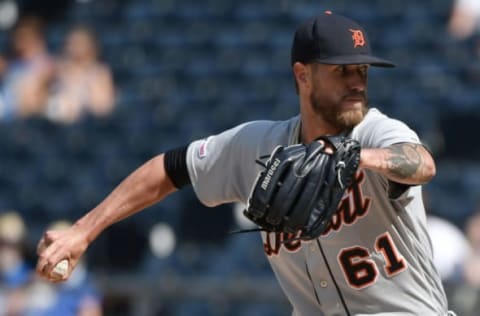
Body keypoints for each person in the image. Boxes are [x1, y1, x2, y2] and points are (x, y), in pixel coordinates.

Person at [36, 12, 453, 315]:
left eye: (362, 69)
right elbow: (170, 168)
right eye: (342, 70)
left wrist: (357, 156)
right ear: (302, 75)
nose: (357, 82)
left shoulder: (378, 131)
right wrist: (82, 232)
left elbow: (420, 163)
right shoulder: (258, 146)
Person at [46, 25, 115, 124]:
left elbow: (102, 106)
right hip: (57, 124)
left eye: (79, 43)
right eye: (72, 43)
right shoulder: (57, 70)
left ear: (90, 45)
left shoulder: (99, 72)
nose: (74, 47)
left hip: (88, 125)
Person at [0, 16, 55, 120]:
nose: (20, 40)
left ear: (36, 38)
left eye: (25, 36)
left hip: (28, 119)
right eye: (18, 36)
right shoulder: (13, 62)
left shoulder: (44, 63)